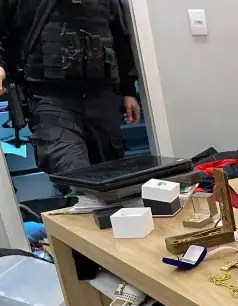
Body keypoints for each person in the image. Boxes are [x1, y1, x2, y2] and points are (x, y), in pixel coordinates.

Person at [0, 0, 141, 175]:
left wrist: (129, 91)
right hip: (50, 99)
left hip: (102, 98)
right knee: (73, 173)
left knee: (111, 175)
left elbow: (120, 40)